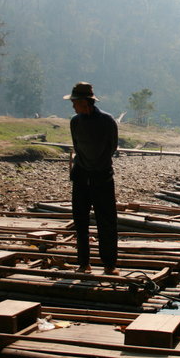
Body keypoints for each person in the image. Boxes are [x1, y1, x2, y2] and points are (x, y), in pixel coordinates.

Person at [64, 82, 119, 274]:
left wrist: (96, 166)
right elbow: (77, 147)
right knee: (80, 222)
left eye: (74, 102)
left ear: (85, 102)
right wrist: (85, 167)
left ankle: (109, 265)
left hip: (102, 178)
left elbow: (112, 148)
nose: (73, 106)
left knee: (107, 223)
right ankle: (83, 263)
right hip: (80, 177)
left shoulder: (107, 121)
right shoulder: (75, 122)